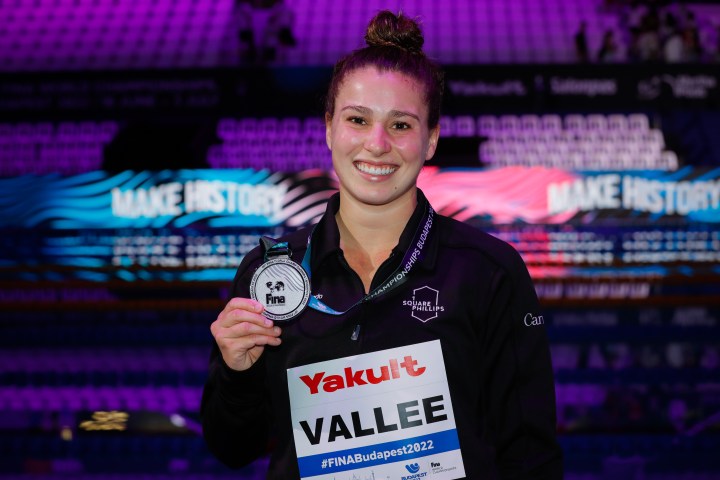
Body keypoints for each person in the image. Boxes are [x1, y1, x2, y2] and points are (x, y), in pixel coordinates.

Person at [201, 10, 563, 479]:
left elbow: (530, 457)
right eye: (357, 119)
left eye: (401, 125)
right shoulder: (271, 275)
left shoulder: (488, 272)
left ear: (430, 140)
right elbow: (232, 448)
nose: (376, 144)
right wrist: (237, 372)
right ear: (329, 128)